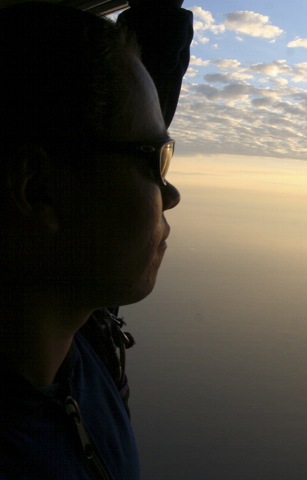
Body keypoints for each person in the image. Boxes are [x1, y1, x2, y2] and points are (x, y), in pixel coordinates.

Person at [0, 2, 188, 478]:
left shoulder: (82, 327)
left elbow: (121, 121)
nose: (171, 194)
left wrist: (162, 14)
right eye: (154, 160)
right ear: (38, 191)